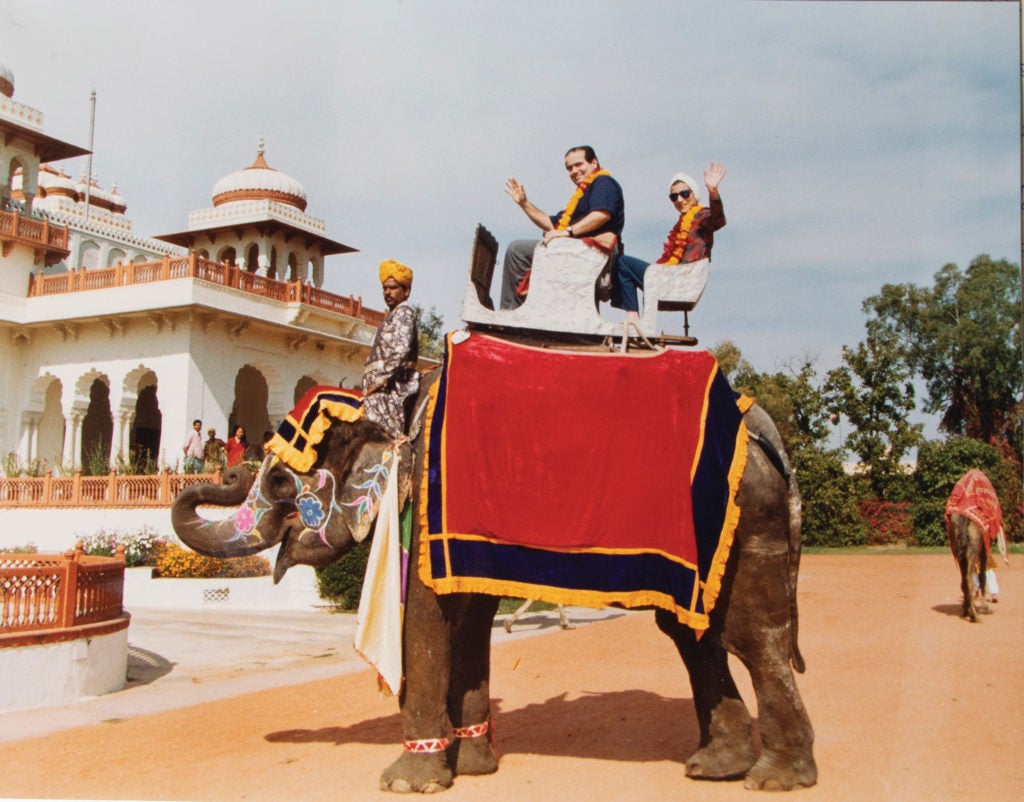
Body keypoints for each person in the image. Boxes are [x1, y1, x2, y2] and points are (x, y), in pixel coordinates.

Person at [500, 145, 625, 309]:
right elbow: (552, 225)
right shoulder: (582, 194)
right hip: (579, 251)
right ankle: (528, 308)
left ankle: (511, 310)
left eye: (579, 165)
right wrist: (524, 204)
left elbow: (601, 214)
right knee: (525, 248)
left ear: (594, 163)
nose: (574, 171)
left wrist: (568, 232)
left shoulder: (603, 182)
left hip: (594, 254)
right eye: (569, 168)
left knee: (518, 250)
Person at [613, 162, 727, 323]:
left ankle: (632, 317)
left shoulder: (702, 216)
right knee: (618, 265)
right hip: (672, 275)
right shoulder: (680, 224)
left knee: (622, 263)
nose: (679, 199)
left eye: (685, 194)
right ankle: (632, 316)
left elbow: (718, 220)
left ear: (695, 195)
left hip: (682, 279)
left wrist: (713, 191)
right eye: (674, 196)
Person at [362, 260, 420, 437]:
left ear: (406, 291)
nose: (387, 292)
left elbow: (400, 352)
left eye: (393, 288)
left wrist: (379, 381)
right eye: (385, 288)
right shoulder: (392, 315)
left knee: (384, 440)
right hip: (379, 390)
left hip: (391, 390)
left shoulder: (404, 313)